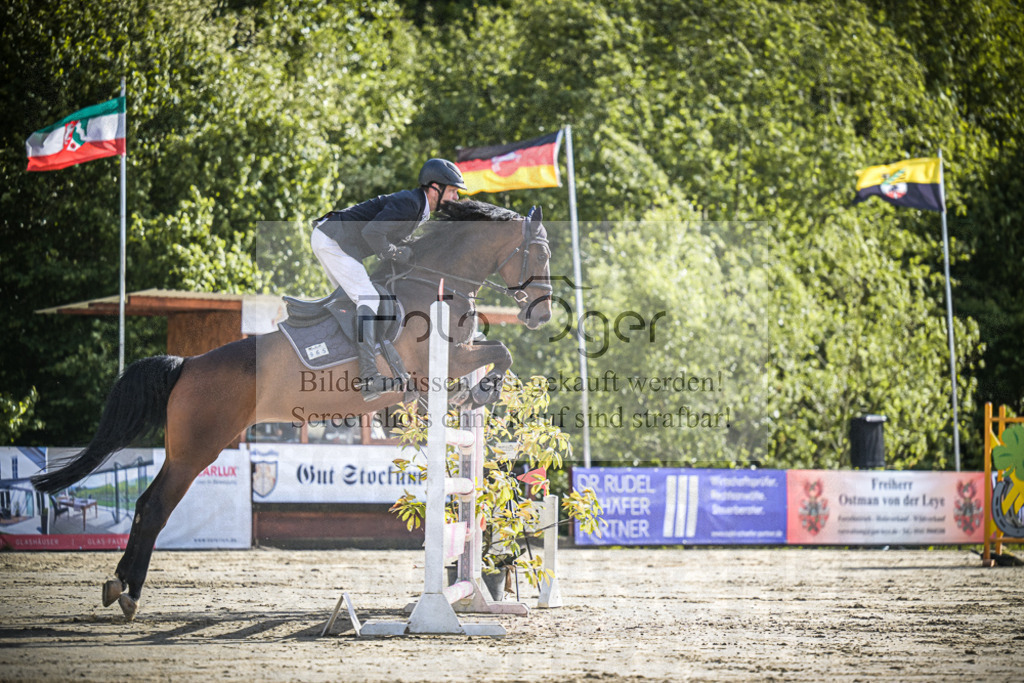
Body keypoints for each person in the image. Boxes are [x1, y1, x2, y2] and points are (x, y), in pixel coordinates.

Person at [310, 158, 468, 401]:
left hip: (335, 239)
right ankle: (369, 377)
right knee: (369, 299)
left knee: (357, 303)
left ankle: (349, 363)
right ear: (434, 187)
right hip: (333, 239)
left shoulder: (419, 208)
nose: (456, 198)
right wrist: (395, 252)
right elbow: (372, 232)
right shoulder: (409, 203)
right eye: (453, 191)